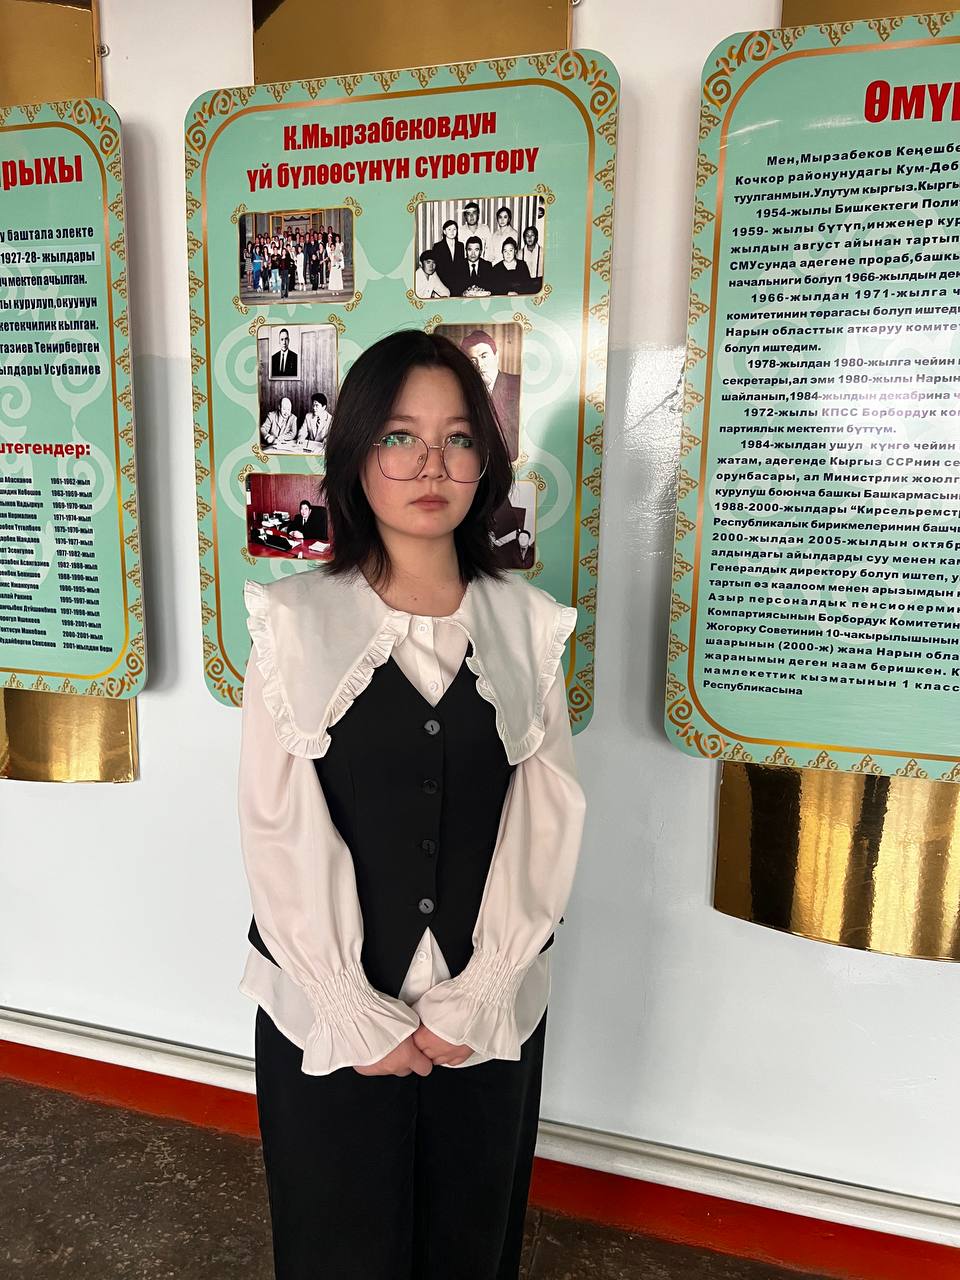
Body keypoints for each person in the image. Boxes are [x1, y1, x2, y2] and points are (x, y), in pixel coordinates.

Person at [239, 329, 585, 1280]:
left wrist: (481, 993)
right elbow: (278, 826)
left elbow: (545, 818)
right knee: (337, 1245)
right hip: (328, 1014)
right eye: (400, 436)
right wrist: (348, 1006)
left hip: (487, 1014)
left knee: (472, 1242)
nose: (431, 465)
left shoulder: (527, 626)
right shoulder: (293, 622)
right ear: (356, 452)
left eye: (458, 438)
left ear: (485, 460)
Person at [460, 329, 521, 460]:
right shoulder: (462, 393)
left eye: (484, 356)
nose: (479, 365)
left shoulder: (519, 384)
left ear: (496, 356)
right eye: (473, 360)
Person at [430, 218, 466, 295]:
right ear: (444, 231)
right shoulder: (437, 246)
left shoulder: (461, 245)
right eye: (449, 229)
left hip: (458, 283)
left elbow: (461, 265)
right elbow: (437, 267)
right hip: (443, 282)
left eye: (454, 229)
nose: (452, 232)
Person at [519, 225, 544, 293]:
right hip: (524, 284)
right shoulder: (520, 254)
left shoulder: (542, 252)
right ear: (524, 238)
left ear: (536, 237)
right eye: (527, 235)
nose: (529, 238)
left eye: (532, 235)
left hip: (539, 283)